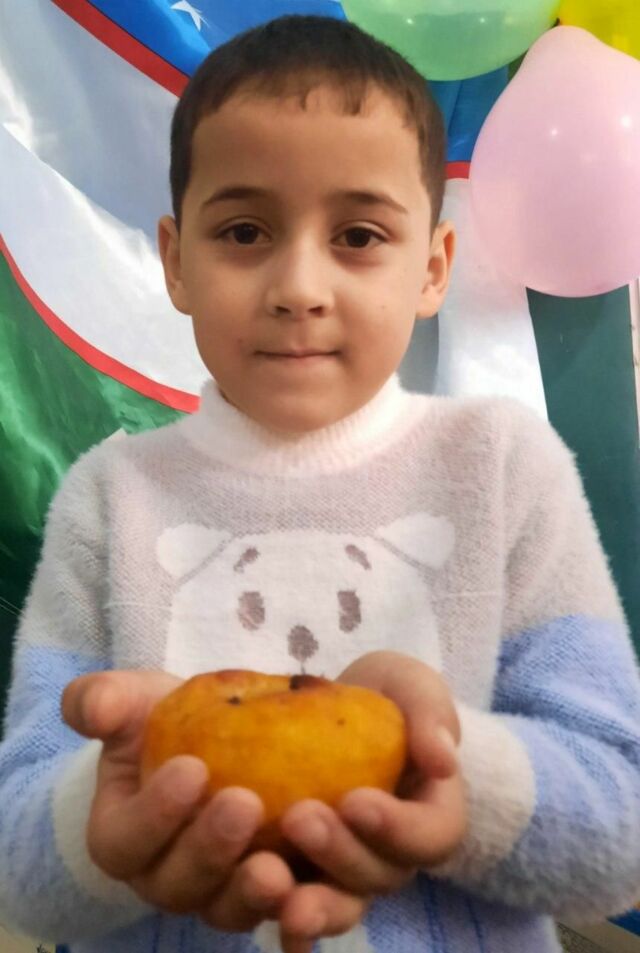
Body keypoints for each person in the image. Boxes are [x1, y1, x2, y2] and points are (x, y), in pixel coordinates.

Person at [1, 14, 639, 953]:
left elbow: (622, 823)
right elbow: (19, 853)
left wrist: (458, 775)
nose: (299, 286)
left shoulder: (507, 474)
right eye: (245, 231)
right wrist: (100, 823)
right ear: (176, 261)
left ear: (433, 267)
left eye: (359, 235)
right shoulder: (110, 497)